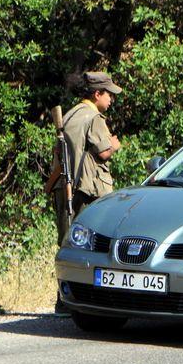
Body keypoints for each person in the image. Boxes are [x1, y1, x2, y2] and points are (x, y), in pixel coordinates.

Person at [54, 71, 123, 246]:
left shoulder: (70, 114)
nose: (111, 99)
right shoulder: (94, 118)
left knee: (67, 238)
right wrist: (114, 145)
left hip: (64, 186)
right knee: (88, 242)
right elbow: (104, 152)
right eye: (108, 94)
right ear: (97, 94)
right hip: (86, 191)